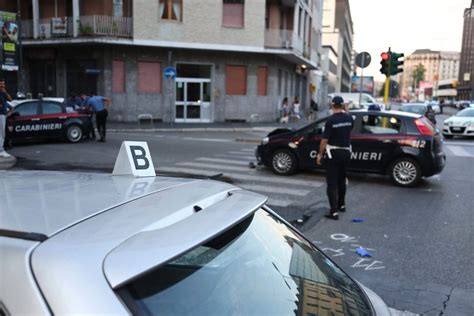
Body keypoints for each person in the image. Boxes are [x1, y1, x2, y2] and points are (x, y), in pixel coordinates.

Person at [316, 96, 354, 220]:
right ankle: (341, 205)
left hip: (334, 153)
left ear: (332, 106)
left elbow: (324, 140)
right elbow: (350, 128)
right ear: (343, 105)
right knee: (342, 180)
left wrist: (320, 154)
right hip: (346, 153)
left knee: (332, 183)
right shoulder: (349, 118)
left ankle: (334, 211)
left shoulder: (330, 120)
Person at [0, 78, 12, 157]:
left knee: (3, 133)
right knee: (1, 133)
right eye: (1, 84)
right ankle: (1, 150)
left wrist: (5, 92)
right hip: (0, 114)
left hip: (3, 114)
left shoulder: (3, 93)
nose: (2, 86)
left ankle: (1, 148)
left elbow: (10, 100)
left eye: (3, 84)